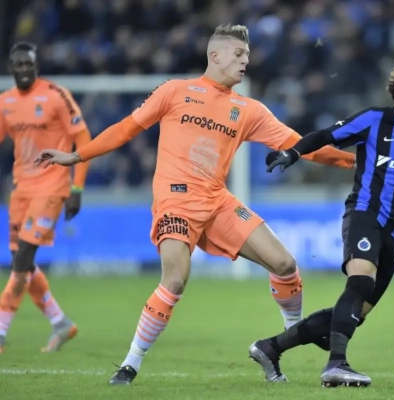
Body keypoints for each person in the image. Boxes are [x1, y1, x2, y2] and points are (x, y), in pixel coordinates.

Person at [34, 24, 356, 385]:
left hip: (217, 201)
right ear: (215, 55)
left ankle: (289, 337)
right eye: (239, 54)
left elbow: (300, 145)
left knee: (284, 264)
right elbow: (126, 128)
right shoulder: (174, 91)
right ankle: (130, 365)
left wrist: (353, 161)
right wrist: (76, 156)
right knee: (175, 279)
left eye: (248, 55)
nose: (246, 61)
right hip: (175, 199)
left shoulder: (248, 109)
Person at [249, 56, 394, 387]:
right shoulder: (374, 120)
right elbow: (326, 135)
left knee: (354, 314)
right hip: (364, 213)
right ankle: (336, 365)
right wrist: (293, 152)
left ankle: (269, 348)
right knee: (360, 281)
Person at [0, 41, 91, 353]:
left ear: (37, 66)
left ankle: (0, 331)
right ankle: (60, 322)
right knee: (21, 262)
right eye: (19, 64)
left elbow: (83, 139)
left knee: (23, 259)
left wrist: (77, 188)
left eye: (29, 64)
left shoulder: (55, 95)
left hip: (52, 188)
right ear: (11, 68)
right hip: (20, 191)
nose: (24, 69)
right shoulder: (5, 102)